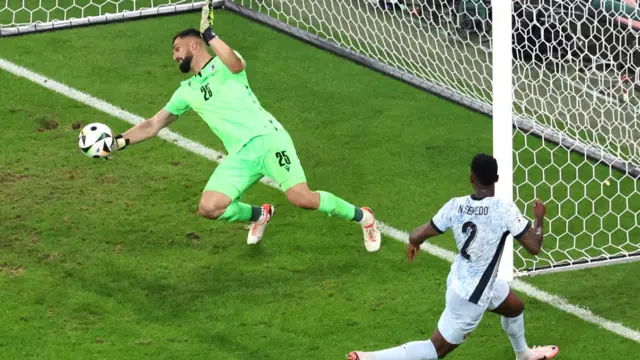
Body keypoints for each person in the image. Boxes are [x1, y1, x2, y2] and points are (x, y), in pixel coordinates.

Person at [107, 4, 381, 251]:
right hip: (240, 155)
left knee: (302, 198)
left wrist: (210, 34)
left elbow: (237, 65)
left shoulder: (224, 64)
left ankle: (365, 217)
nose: (175, 57)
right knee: (209, 207)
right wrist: (118, 141)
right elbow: (153, 124)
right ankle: (260, 214)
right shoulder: (186, 91)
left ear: (194, 46)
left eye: (177, 49)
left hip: (268, 140)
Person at [348, 154, 558, 360]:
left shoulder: (455, 205)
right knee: (434, 349)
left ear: (471, 178)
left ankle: (523, 355)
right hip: (470, 298)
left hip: (463, 279)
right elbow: (534, 246)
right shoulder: (504, 210)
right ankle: (370, 358)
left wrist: (414, 242)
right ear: (496, 179)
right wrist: (539, 219)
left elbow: (417, 233)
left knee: (514, 307)